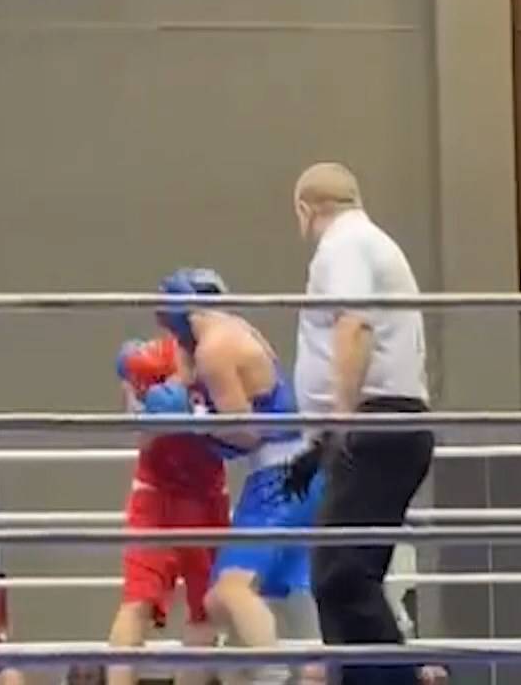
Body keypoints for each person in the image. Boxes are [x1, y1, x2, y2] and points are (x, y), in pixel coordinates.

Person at [281, 163, 432, 685]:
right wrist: (324, 441)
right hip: (382, 425)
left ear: (305, 210)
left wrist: (340, 422)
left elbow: (354, 325)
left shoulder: (343, 245)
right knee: (340, 577)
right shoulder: (370, 244)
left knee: (341, 575)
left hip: (376, 423)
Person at [139, 267, 324, 685]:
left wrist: (195, 422)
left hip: (280, 477)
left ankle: (273, 675)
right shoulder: (233, 329)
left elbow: (244, 431)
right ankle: (306, 673)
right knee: (264, 593)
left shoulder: (213, 350)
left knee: (230, 592)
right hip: (295, 471)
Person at [108, 334, 228, 685]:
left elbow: (242, 429)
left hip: (205, 500)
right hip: (157, 500)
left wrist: (198, 405)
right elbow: (140, 434)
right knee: (137, 602)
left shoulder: (221, 358)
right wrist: (158, 404)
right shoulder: (147, 357)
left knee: (204, 610)